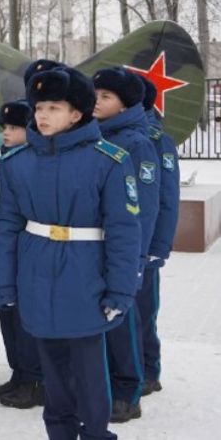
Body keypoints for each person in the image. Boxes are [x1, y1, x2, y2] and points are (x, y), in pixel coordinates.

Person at [0, 65, 141, 440]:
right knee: (53, 371)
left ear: (77, 113)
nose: (42, 115)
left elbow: (124, 231)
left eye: (54, 108)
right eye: (39, 107)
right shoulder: (16, 163)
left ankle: (95, 432)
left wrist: (120, 290)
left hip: (85, 277)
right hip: (36, 274)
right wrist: (6, 286)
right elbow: (6, 228)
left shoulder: (109, 160)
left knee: (89, 372)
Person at [92, 67, 160, 423]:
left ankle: (128, 391)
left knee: (124, 322)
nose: (96, 101)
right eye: (95, 95)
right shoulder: (94, 136)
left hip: (124, 249)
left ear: (125, 104)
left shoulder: (136, 143)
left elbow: (144, 208)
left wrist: (137, 256)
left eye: (106, 96)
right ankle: (105, 385)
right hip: (96, 246)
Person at [0, 100, 44, 410]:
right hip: (2, 246)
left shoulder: (32, 161)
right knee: (7, 312)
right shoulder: (7, 159)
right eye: (5, 127)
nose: (6, 133)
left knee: (23, 315)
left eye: (14, 128)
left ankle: (34, 380)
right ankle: (19, 373)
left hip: (21, 247)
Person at [135, 76, 179, 397]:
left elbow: (167, 199)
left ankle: (149, 370)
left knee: (143, 310)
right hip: (124, 244)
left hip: (146, 245)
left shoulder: (156, 140)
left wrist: (158, 247)